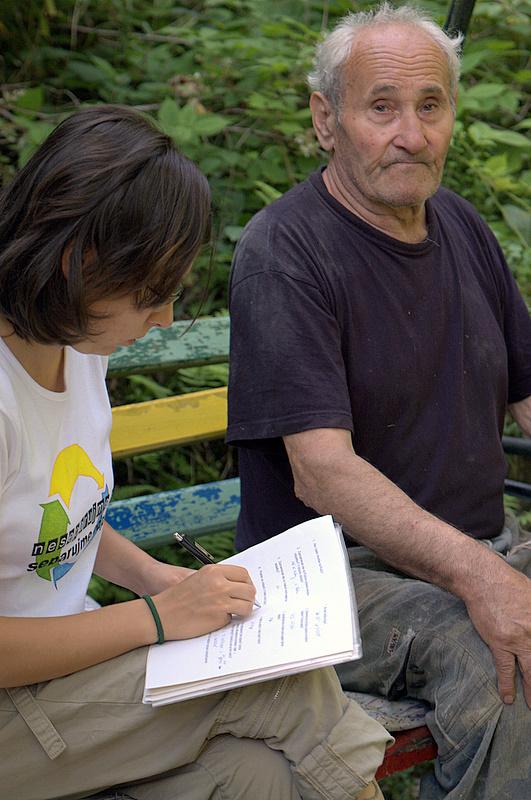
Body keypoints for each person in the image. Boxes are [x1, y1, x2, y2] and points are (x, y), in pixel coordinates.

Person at [0, 105, 392, 800]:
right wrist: (156, 619)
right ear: (78, 262)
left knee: (254, 777)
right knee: (281, 685)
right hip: (16, 707)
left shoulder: (75, 344)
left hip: (61, 688)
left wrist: (154, 577)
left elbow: (49, 516)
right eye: (150, 293)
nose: (165, 319)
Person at [227, 4, 531, 799]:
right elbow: (322, 472)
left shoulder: (460, 225)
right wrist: (483, 578)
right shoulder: (284, 252)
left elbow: (528, 394)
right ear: (326, 120)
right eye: (382, 108)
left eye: (430, 106)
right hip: (330, 579)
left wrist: (486, 569)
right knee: (500, 662)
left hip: (478, 547)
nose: (411, 135)